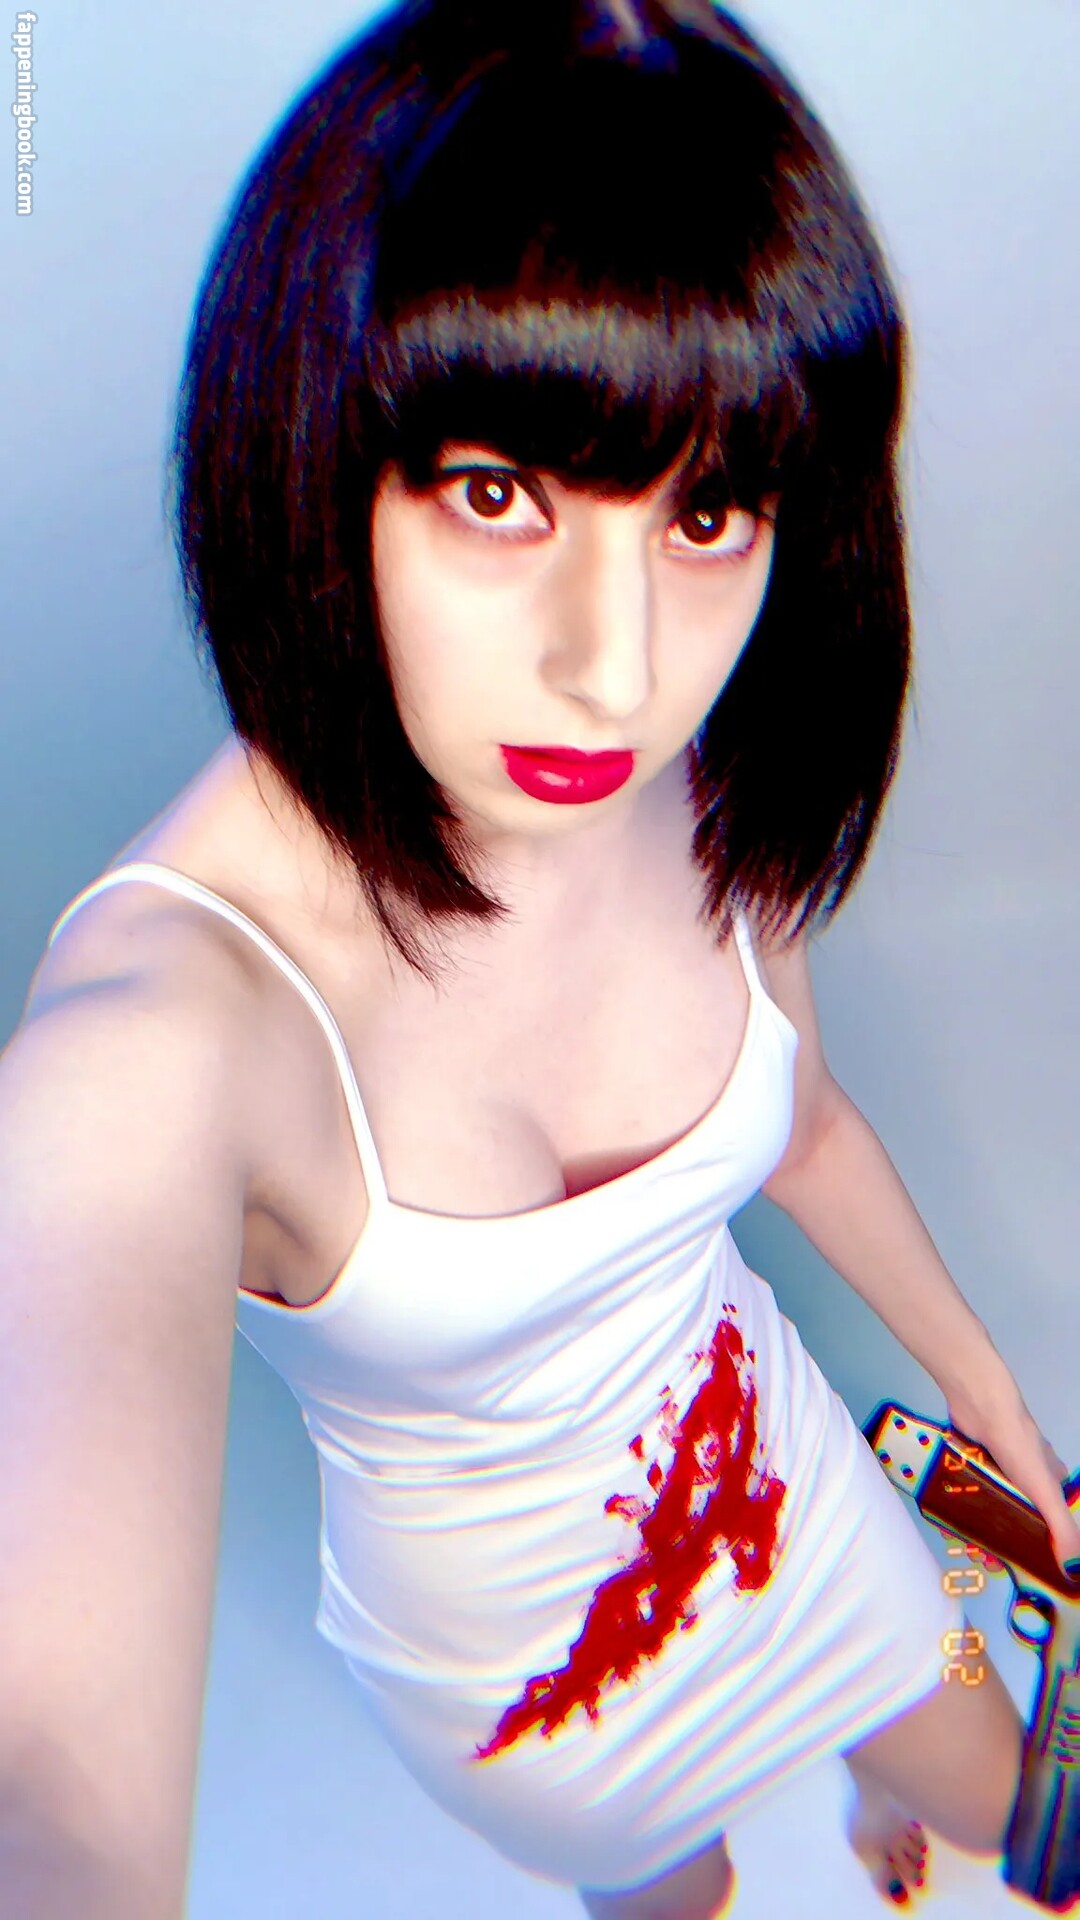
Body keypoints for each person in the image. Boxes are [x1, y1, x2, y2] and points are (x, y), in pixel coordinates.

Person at [2, 2, 1077, 1916]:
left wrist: (987, 1394)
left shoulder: (705, 771)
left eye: (705, 512)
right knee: (680, 1903)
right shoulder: (162, 1028)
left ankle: (870, 1770)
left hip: (794, 1487)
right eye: (500, 492)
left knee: (1022, 1809)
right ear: (320, 452)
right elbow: (53, 1786)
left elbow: (808, 1125)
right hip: (539, 1691)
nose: (615, 668)